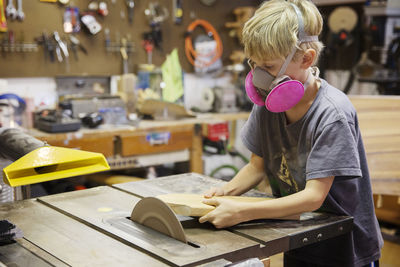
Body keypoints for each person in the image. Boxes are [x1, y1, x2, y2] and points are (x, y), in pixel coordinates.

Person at [199, 0, 383, 266]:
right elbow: (256, 166)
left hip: (344, 250)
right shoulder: (267, 103)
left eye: (269, 67)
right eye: (254, 65)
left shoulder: (332, 114)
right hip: (298, 237)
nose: (259, 77)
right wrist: (225, 194)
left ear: (306, 58)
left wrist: (242, 210)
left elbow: (313, 197)